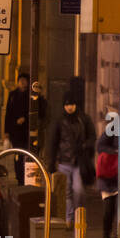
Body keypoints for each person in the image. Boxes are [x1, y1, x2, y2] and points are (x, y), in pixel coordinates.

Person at [43, 94, 96, 228]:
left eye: (71, 104)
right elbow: (53, 142)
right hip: (64, 161)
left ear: (76, 105)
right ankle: (68, 219)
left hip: (79, 161)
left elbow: (92, 136)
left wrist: (85, 146)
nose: (69, 107)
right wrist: (51, 162)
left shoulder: (84, 119)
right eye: (67, 105)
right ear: (63, 106)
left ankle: (80, 216)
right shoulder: (59, 120)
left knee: (78, 190)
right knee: (66, 192)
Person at [95, 117, 120, 238]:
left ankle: (119, 236)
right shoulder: (114, 126)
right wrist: (117, 152)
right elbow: (100, 146)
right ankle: (106, 234)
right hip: (109, 176)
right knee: (109, 209)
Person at [4, 72, 32, 184]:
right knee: (17, 155)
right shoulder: (12, 95)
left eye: (24, 80)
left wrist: (25, 118)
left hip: (26, 131)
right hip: (15, 131)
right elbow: (8, 114)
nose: (22, 82)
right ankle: (19, 176)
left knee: (26, 154)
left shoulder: (30, 96)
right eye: (20, 80)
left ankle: (26, 177)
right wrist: (6, 131)